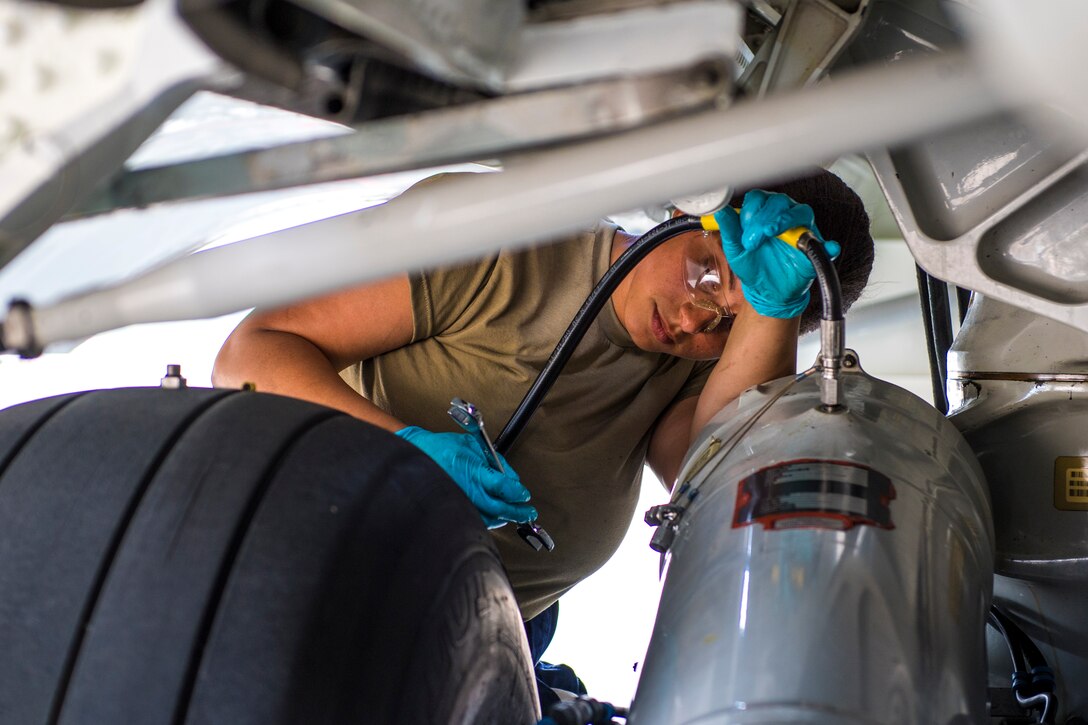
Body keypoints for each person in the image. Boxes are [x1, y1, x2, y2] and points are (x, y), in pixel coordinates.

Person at [212, 167, 874, 705]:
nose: (697, 316)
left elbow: (722, 477)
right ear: (687, 209)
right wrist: (404, 453)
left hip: (474, 654)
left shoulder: (690, 379)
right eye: (708, 269)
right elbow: (251, 354)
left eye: (733, 321)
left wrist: (772, 313)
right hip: (311, 593)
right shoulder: (502, 233)